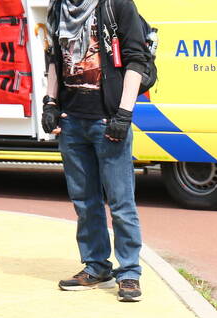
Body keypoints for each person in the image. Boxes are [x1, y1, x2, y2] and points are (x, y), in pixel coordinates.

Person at [43, 0, 150, 302]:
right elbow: (54, 57)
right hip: (71, 121)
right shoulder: (59, 6)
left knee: (120, 203)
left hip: (107, 120)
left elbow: (135, 60)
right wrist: (50, 102)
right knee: (85, 202)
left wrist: (124, 114)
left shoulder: (116, 4)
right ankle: (96, 266)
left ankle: (129, 272)